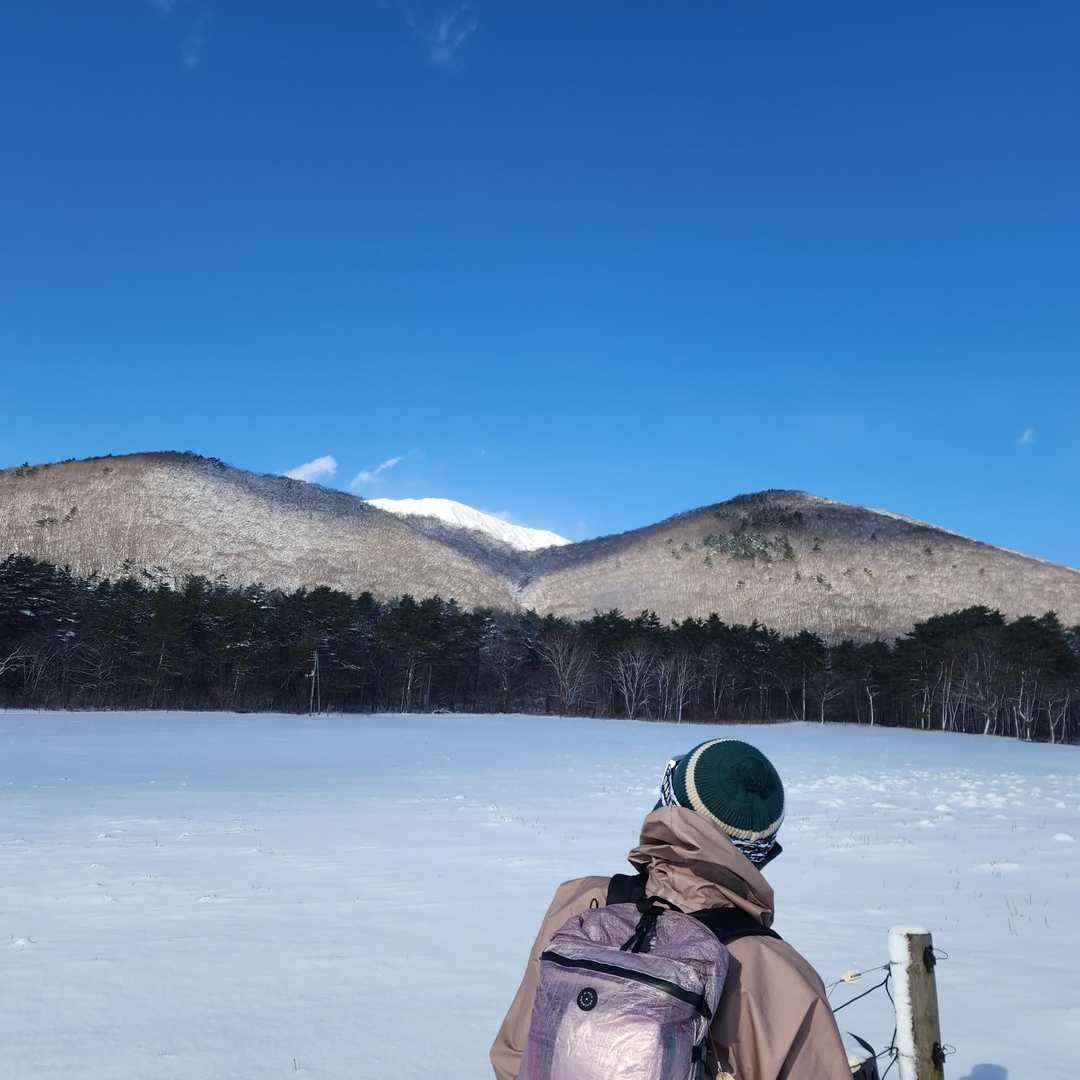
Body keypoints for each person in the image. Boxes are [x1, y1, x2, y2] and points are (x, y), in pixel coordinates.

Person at [490, 738, 852, 1080]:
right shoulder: (781, 975)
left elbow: (516, 1056)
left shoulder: (579, 904)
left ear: (665, 809)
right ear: (761, 855)